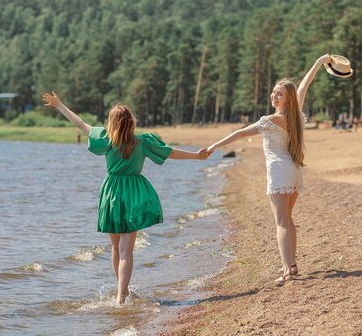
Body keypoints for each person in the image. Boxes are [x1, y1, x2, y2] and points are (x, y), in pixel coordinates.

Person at [42, 91, 208, 304]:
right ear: (131, 123)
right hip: (134, 192)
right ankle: (122, 294)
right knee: (126, 250)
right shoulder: (142, 142)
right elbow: (170, 153)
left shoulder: (105, 140)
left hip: (111, 193)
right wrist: (197, 155)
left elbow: (80, 123)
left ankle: (121, 292)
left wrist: (59, 105)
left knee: (116, 247)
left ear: (111, 123)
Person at [205, 54, 336, 283]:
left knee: (281, 222)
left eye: (280, 94)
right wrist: (318, 62)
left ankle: (287, 270)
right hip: (294, 170)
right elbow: (304, 85)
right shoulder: (294, 114)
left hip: (279, 170)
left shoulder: (271, 120)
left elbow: (240, 133)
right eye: (274, 92)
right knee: (288, 219)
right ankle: (291, 265)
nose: (274, 96)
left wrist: (214, 146)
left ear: (287, 99)